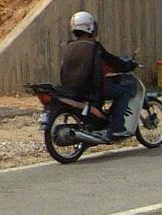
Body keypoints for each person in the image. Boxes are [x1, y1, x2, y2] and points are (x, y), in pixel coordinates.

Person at [59, 11, 139, 142]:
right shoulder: (94, 46)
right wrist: (128, 65)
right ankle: (117, 128)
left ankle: (104, 121)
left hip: (70, 89)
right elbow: (113, 61)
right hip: (91, 89)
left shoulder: (70, 45)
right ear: (89, 27)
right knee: (124, 92)